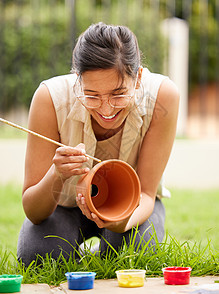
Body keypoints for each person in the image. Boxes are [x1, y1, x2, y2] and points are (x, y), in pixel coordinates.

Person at [17, 22, 179, 266]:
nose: (106, 109)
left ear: (138, 79)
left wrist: (121, 221)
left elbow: (145, 193)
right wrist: (57, 174)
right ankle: (88, 257)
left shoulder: (162, 97)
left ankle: (99, 255)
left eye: (118, 94)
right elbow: (33, 211)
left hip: (132, 206)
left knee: (140, 252)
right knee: (37, 254)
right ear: (77, 81)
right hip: (65, 207)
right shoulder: (49, 98)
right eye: (92, 95)